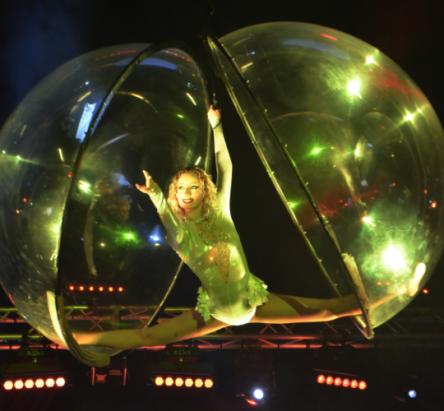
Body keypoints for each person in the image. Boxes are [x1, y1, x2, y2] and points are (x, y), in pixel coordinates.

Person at [74, 106, 421, 357]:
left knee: (332, 309)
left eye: (193, 187)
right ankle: (73, 339)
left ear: (204, 191)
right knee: (147, 337)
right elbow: (166, 215)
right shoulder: (180, 235)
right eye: (181, 189)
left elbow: (226, 166)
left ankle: (399, 288)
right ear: (174, 195)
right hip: (216, 312)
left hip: (254, 301)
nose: (187, 193)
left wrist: (216, 127)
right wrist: (154, 195)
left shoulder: (222, 212)